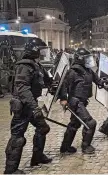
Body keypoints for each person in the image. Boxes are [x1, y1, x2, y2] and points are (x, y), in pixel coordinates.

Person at [5, 39, 53, 174]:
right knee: (17, 138)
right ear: (34, 51)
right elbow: (23, 89)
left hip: (31, 107)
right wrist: (35, 107)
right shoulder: (24, 67)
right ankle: (10, 170)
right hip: (22, 107)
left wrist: (54, 84)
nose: (42, 54)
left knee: (43, 128)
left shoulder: (36, 66)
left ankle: (37, 158)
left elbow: (47, 79)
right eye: (40, 51)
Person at [59, 48, 108, 155]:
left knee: (74, 124)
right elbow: (64, 86)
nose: (89, 60)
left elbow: (97, 80)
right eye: (87, 58)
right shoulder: (73, 72)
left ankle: (65, 147)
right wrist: (63, 99)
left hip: (82, 101)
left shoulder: (88, 70)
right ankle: (86, 146)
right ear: (80, 59)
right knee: (90, 123)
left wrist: (103, 83)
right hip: (75, 101)